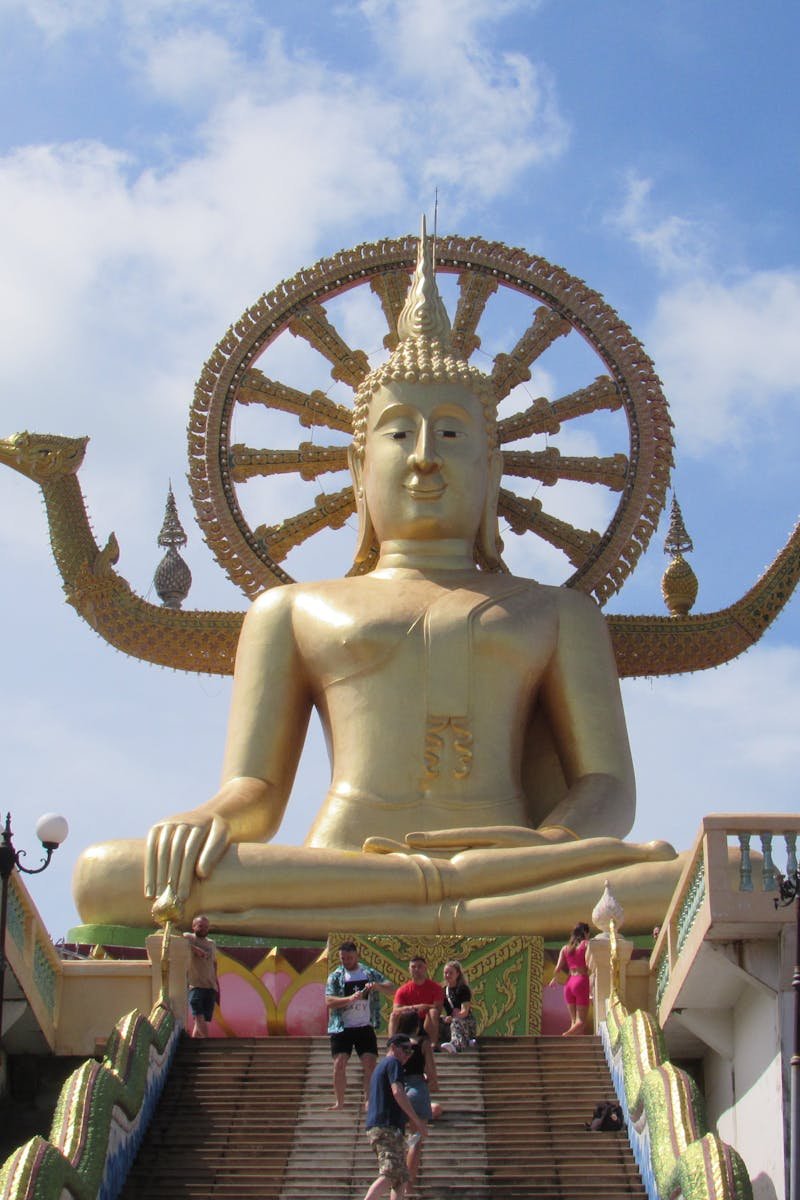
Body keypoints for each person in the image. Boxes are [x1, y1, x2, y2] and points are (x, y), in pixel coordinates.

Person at [73, 219, 681, 940]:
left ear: (493, 468)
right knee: (104, 875)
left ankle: (445, 896)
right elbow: (257, 793)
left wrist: (546, 846)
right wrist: (204, 822)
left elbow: (606, 788)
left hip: (515, 865)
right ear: (359, 468)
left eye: (452, 434)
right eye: (399, 433)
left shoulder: (557, 612)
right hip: (349, 859)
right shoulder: (292, 609)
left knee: (683, 876)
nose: (425, 457)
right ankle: (448, 901)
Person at [325, 940, 396, 1110]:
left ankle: (369, 1100)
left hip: (364, 1025)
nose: (346, 961)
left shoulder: (368, 973)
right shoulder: (336, 976)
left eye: (349, 957)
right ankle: (340, 1101)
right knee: (339, 1063)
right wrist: (349, 999)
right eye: (343, 958)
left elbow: (392, 988)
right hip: (342, 1027)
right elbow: (329, 1000)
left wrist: (377, 986)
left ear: (356, 955)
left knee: (370, 1063)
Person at [363, 1034, 427, 1200]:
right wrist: (416, 1120)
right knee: (391, 1173)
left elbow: (369, 1102)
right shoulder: (393, 1063)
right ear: (392, 1047)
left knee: (400, 1178)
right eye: (405, 1049)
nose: (408, 1054)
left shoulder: (380, 1068)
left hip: (384, 1126)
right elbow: (397, 1091)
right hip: (386, 1127)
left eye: (410, 1051)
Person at [388, 957, 444, 1045]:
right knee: (394, 1015)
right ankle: (392, 1043)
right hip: (409, 1022)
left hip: (427, 1022)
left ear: (425, 968)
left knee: (433, 1012)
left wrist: (424, 1006)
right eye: (413, 967)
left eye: (420, 966)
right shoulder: (403, 990)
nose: (416, 969)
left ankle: (433, 1044)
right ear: (409, 970)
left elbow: (438, 1008)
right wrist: (414, 1007)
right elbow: (396, 1010)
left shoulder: (436, 988)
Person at [548, 921, 591, 1036]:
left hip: (569, 984)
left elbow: (557, 968)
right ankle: (566, 1035)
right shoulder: (586, 944)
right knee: (581, 1022)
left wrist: (554, 979)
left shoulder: (565, 948)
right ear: (585, 933)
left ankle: (576, 1043)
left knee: (574, 1022)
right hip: (581, 982)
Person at [183, 914, 219, 1038]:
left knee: (202, 1019)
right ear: (193, 927)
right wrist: (195, 949)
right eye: (200, 926)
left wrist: (216, 983)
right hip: (195, 985)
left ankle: (194, 1043)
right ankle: (207, 1043)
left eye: (206, 927)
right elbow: (176, 940)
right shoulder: (189, 937)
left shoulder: (212, 943)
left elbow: (214, 963)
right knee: (198, 1016)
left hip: (210, 986)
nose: (204, 929)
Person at [440, 960, 476, 1052]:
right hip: (451, 1020)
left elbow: (465, 1012)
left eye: (450, 973)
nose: (447, 975)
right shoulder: (443, 991)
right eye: (445, 973)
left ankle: (456, 1045)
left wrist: (452, 1018)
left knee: (456, 1022)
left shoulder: (463, 989)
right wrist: (444, 1018)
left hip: (464, 1021)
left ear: (457, 974)